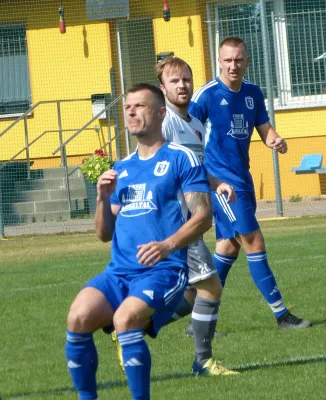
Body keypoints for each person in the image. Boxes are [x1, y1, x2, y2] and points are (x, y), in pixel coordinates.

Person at [65, 83, 213, 400]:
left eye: (140, 106)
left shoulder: (181, 158)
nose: (131, 112)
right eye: (128, 107)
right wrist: (103, 199)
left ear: (161, 113)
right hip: (119, 272)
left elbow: (203, 217)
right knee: (77, 318)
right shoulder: (121, 168)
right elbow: (103, 233)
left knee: (125, 319)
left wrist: (167, 246)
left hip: (164, 271)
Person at [189, 36, 311, 329]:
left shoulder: (253, 93)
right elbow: (186, 136)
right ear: (219, 61)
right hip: (223, 187)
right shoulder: (205, 95)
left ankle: (196, 316)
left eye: (238, 59)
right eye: (228, 60)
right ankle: (282, 315)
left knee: (228, 249)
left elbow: (265, 130)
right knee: (254, 242)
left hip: (243, 180)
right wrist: (203, 177)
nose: (233, 65)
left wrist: (276, 140)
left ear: (247, 61)